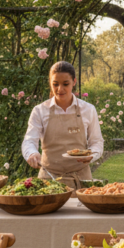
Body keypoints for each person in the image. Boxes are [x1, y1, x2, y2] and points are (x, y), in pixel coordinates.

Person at [21, 61, 103, 190]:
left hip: (81, 180)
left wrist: (93, 155)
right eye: (55, 84)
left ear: (74, 82)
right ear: (50, 83)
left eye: (65, 84)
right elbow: (29, 140)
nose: (60, 89)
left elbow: (96, 141)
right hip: (49, 180)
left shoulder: (88, 109)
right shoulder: (40, 111)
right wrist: (32, 153)